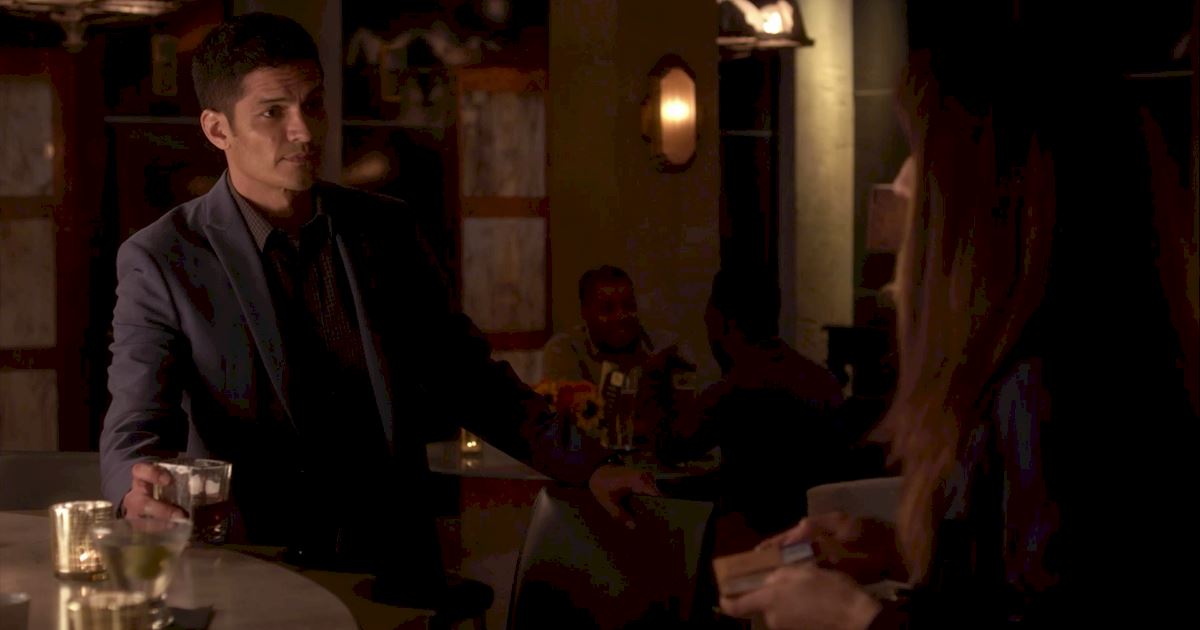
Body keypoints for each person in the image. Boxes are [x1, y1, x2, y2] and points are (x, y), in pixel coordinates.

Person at [99, 11, 653, 600]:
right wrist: (136, 491)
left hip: (392, 561)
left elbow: (470, 378)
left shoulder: (384, 230)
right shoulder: (164, 258)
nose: (304, 131)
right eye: (273, 112)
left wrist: (590, 465)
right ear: (217, 129)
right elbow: (136, 421)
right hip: (252, 568)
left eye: (313, 104)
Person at [720, 6, 1198, 627]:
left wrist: (852, 619)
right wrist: (902, 551)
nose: (899, 180)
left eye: (917, 151)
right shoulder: (1086, 367)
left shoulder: (1045, 394)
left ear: (991, 201)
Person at [656, 266, 845, 544]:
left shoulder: (736, 387)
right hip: (813, 544)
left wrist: (656, 381)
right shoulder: (823, 381)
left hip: (757, 551)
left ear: (723, 322)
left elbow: (672, 446)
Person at [542, 264, 694, 386]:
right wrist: (646, 377)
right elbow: (574, 410)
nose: (621, 315)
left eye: (629, 306)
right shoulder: (566, 349)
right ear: (585, 313)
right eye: (607, 309)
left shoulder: (664, 345)